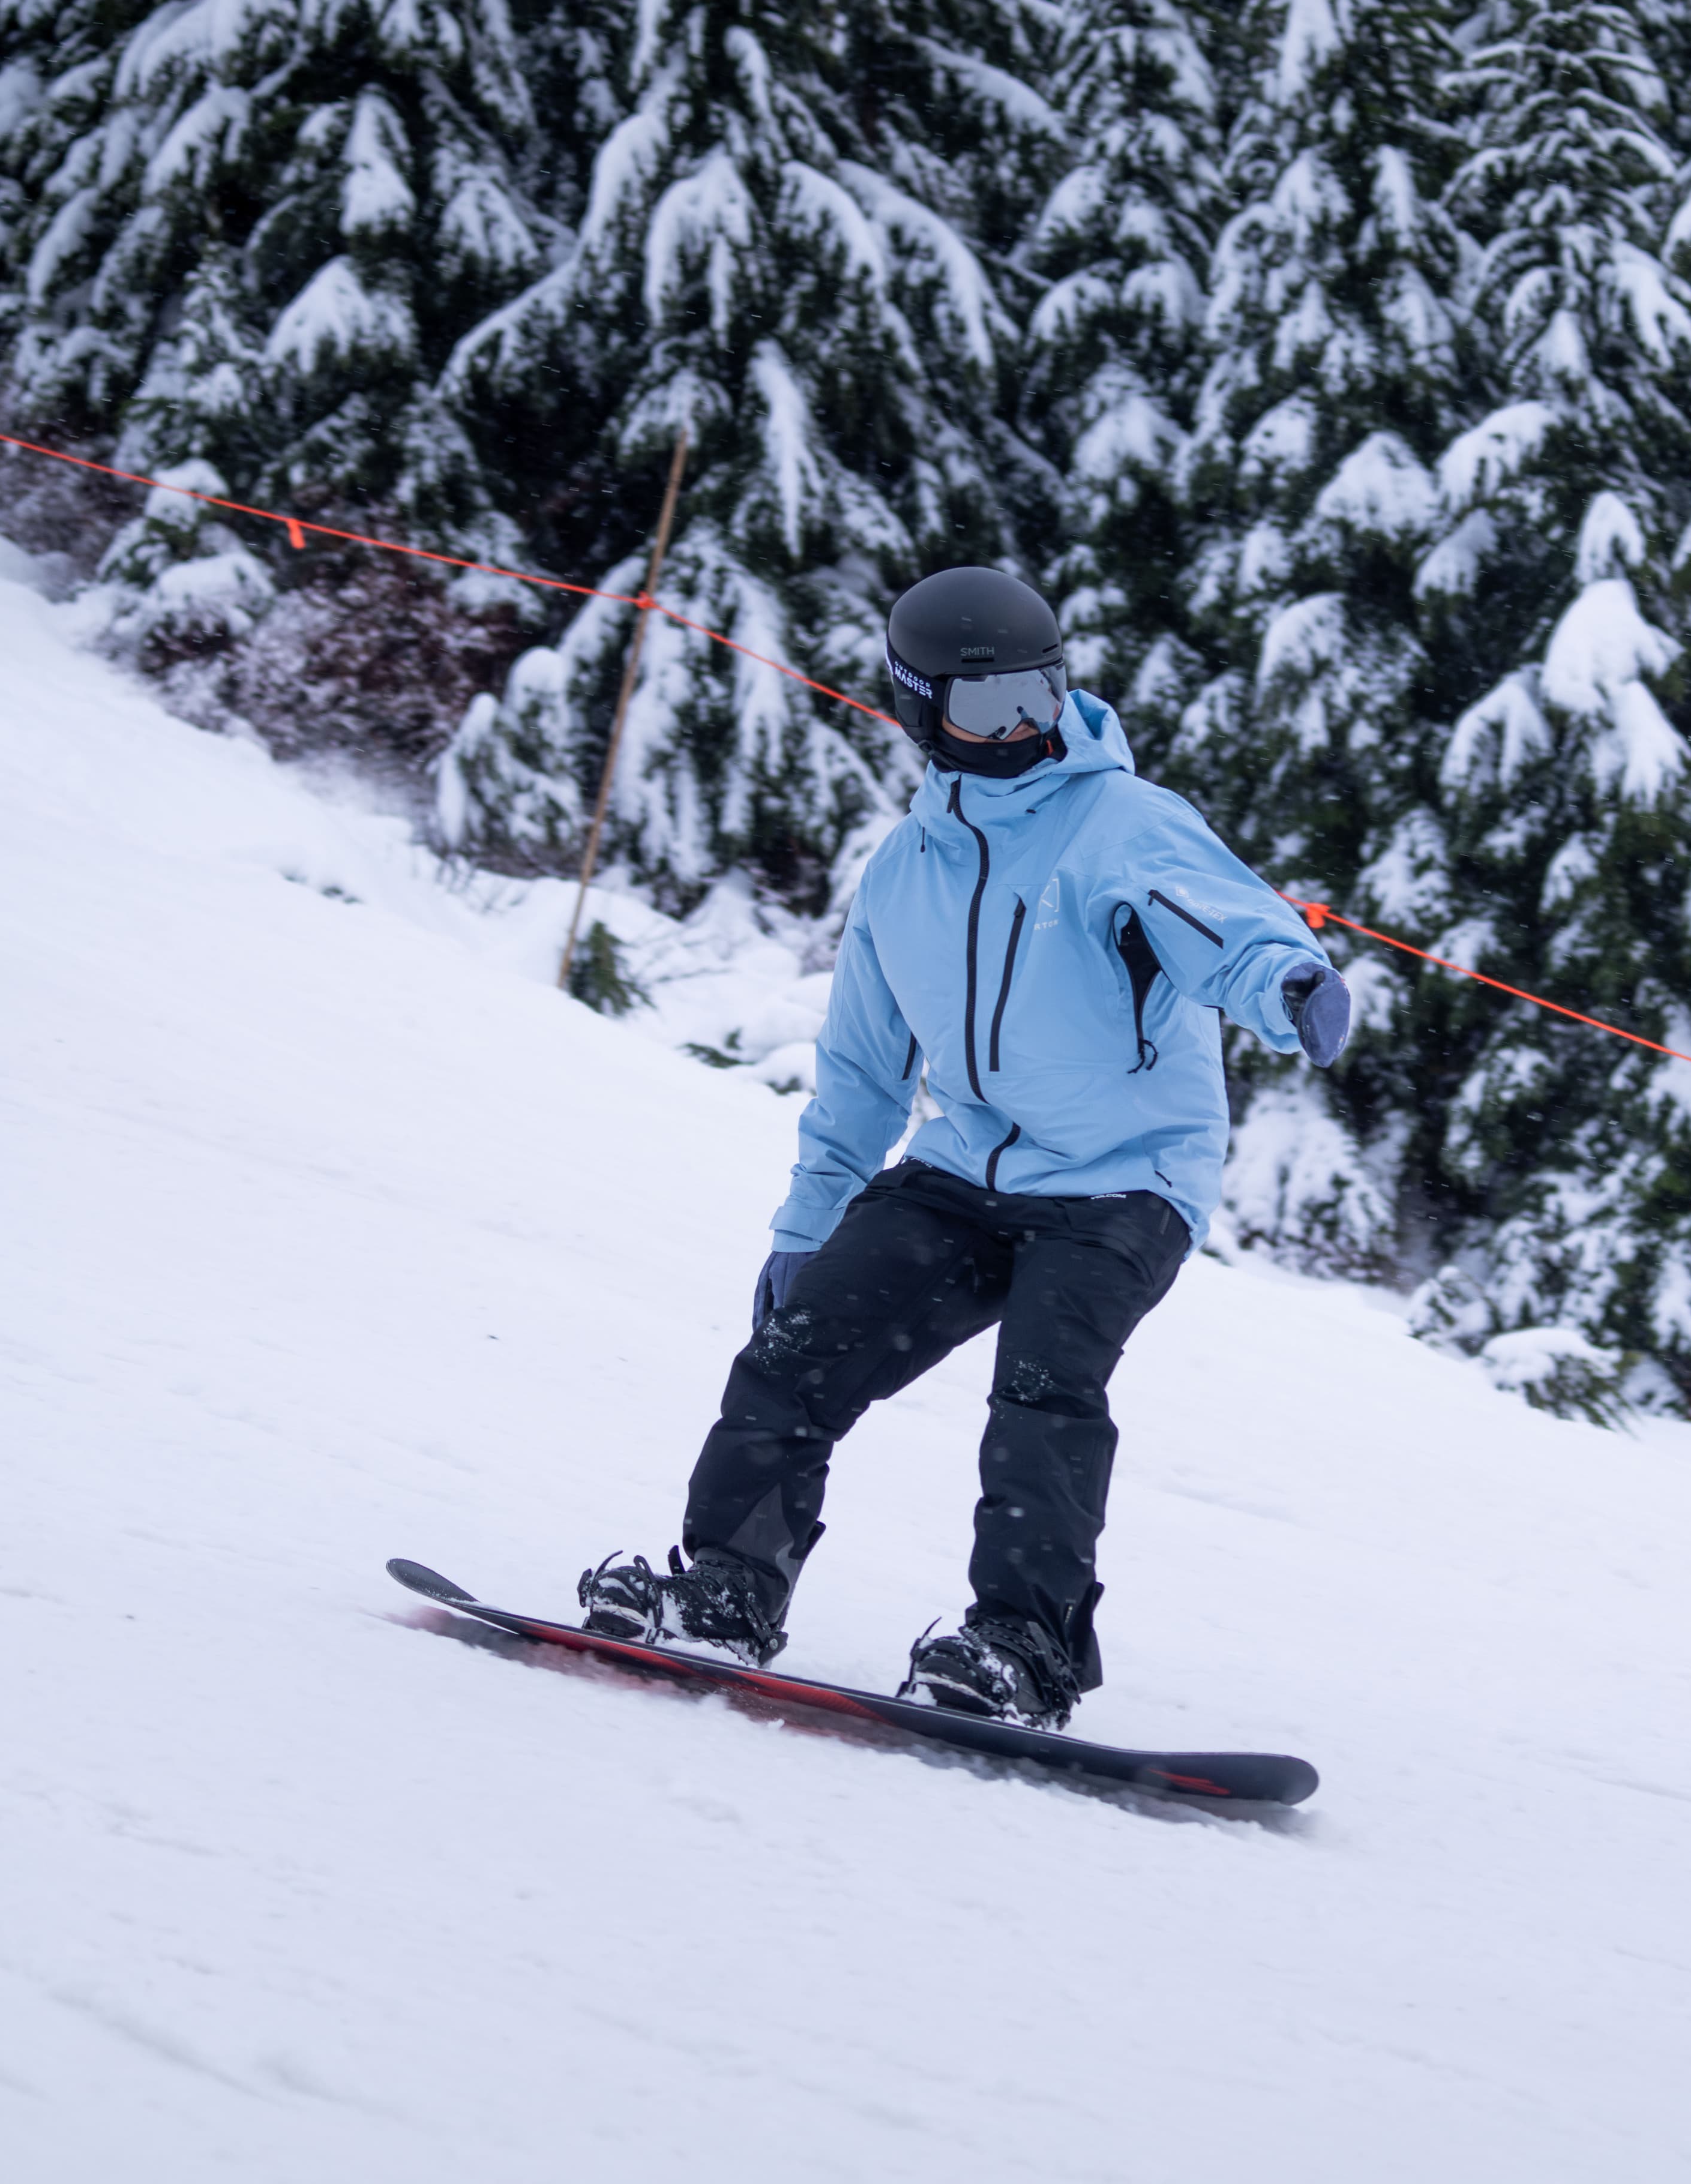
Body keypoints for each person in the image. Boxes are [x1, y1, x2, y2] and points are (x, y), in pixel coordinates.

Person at [577, 566, 1353, 1727]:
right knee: (795, 1358)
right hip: (965, 1177)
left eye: (1039, 699)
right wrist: (805, 1231)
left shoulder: (1125, 825)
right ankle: (729, 1592)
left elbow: (1221, 926)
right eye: (987, 712)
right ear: (920, 709)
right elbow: (858, 1079)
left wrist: (1288, 982)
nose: (1022, 732)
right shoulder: (904, 873)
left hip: (1124, 1183)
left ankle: (1023, 1653)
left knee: (1043, 1394)